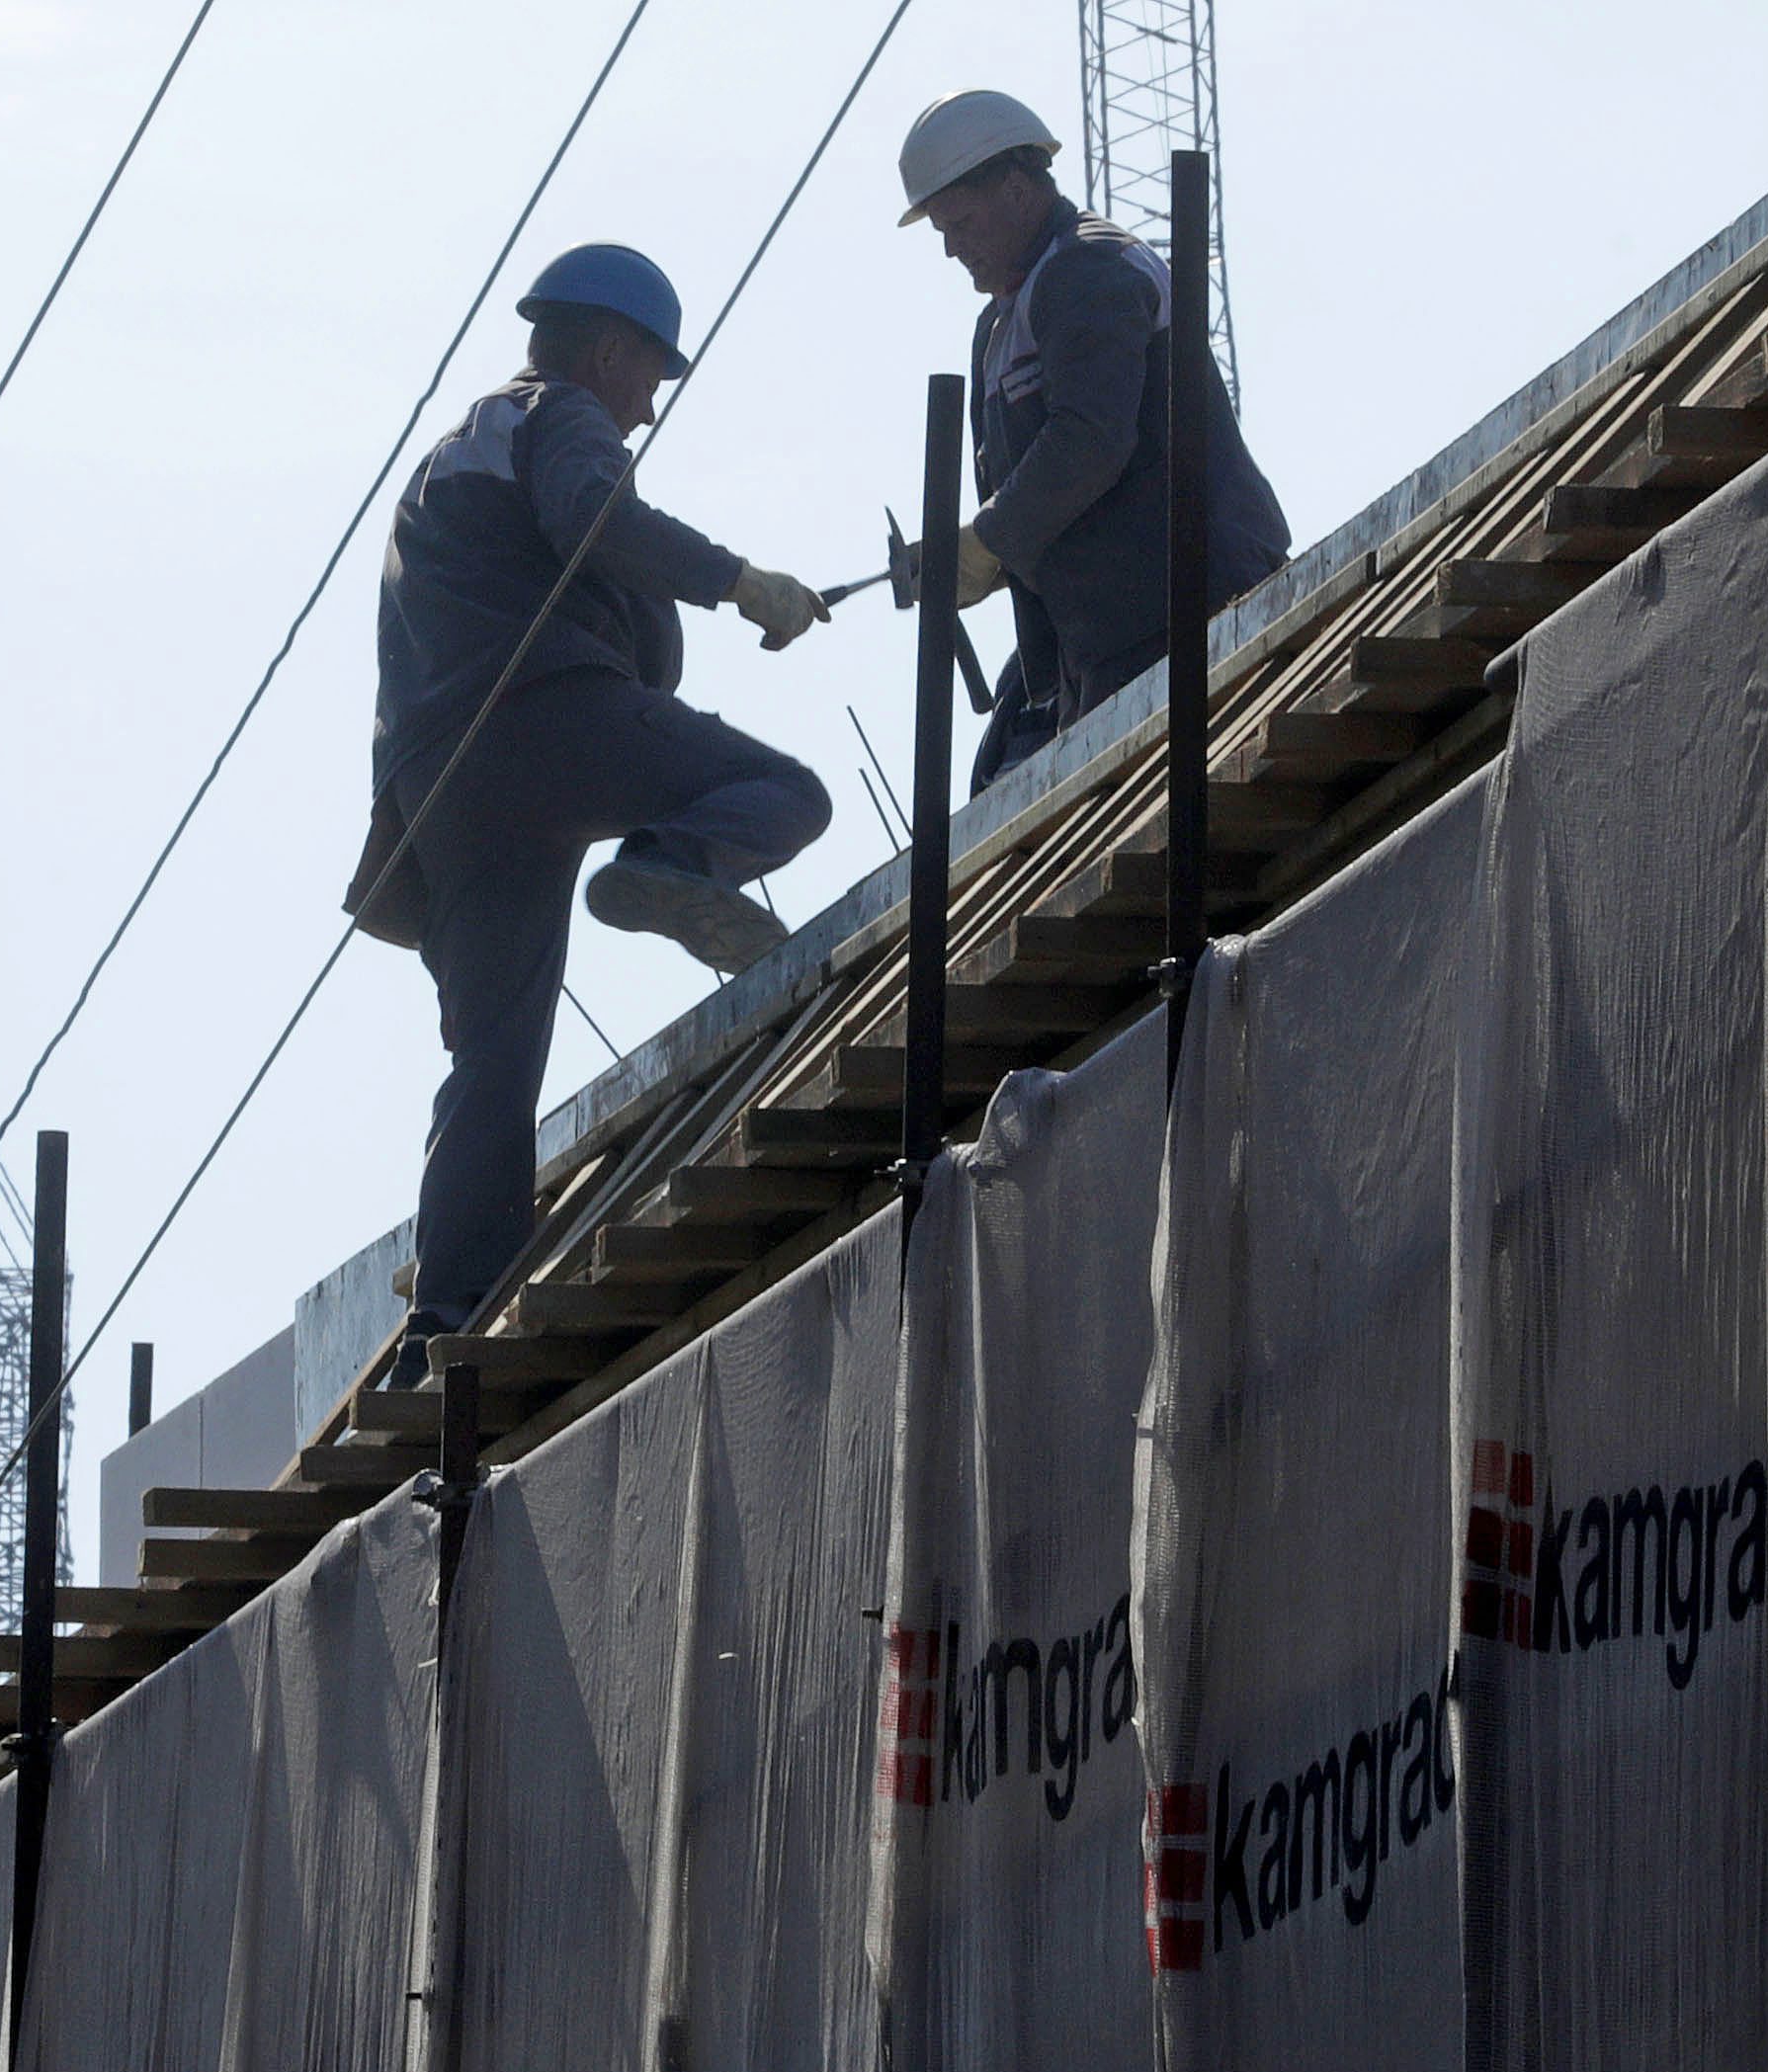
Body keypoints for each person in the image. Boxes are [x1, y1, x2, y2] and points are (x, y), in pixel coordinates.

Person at [360, 242, 835, 1376]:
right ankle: (666, 864)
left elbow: (567, 563)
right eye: (650, 378)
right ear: (609, 350)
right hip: (544, 723)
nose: (646, 407)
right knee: (786, 793)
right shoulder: (559, 417)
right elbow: (595, 518)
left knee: (494, 1061)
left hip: (444, 792)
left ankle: (446, 1321)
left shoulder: (453, 455)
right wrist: (737, 581)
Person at [895, 90, 1291, 787]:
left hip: (1189, 609)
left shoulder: (1089, 269)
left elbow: (1090, 439)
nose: (952, 248)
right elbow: (1042, 495)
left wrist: (986, 541)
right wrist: (980, 560)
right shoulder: (998, 327)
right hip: (1107, 644)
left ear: (1018, 192)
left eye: (960, 223)